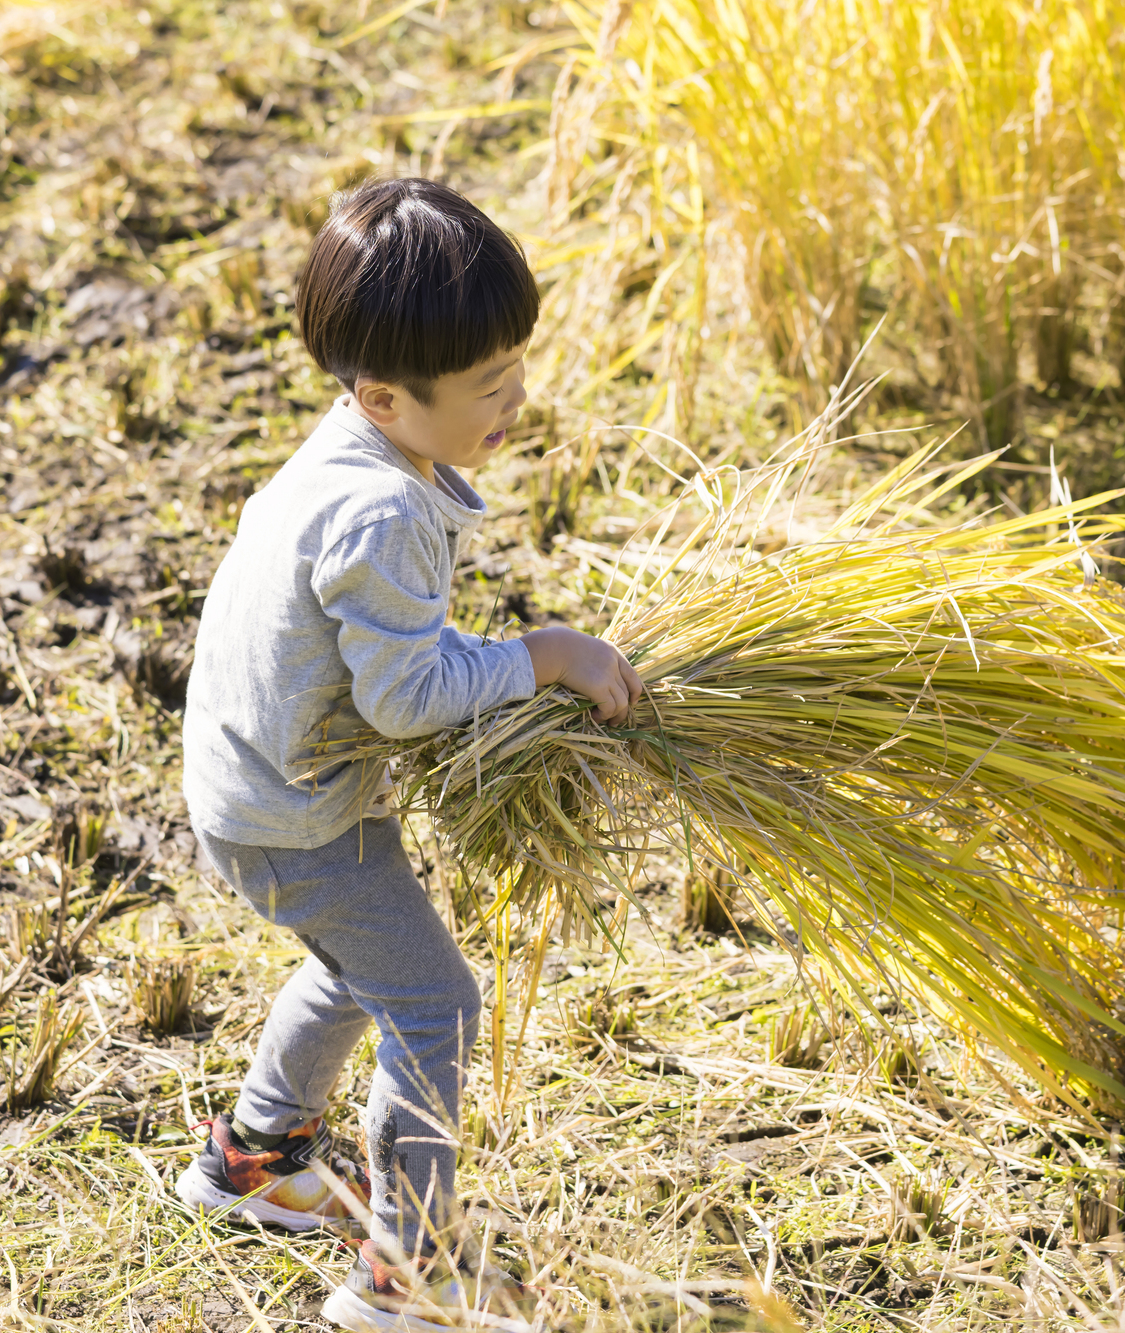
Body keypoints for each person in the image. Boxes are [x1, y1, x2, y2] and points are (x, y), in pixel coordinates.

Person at [174, 176, 643, 1332]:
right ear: (384, 396)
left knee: (361, 966)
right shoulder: (378, 513)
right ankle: (406, 1272)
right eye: (489, 385)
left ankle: (253, 1158)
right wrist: (541, 656)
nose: (515, 399)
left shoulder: (360, 452)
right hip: (297, 814)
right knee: (434, 1007)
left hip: (257, 785)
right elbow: (405, 698)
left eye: (515, 367)